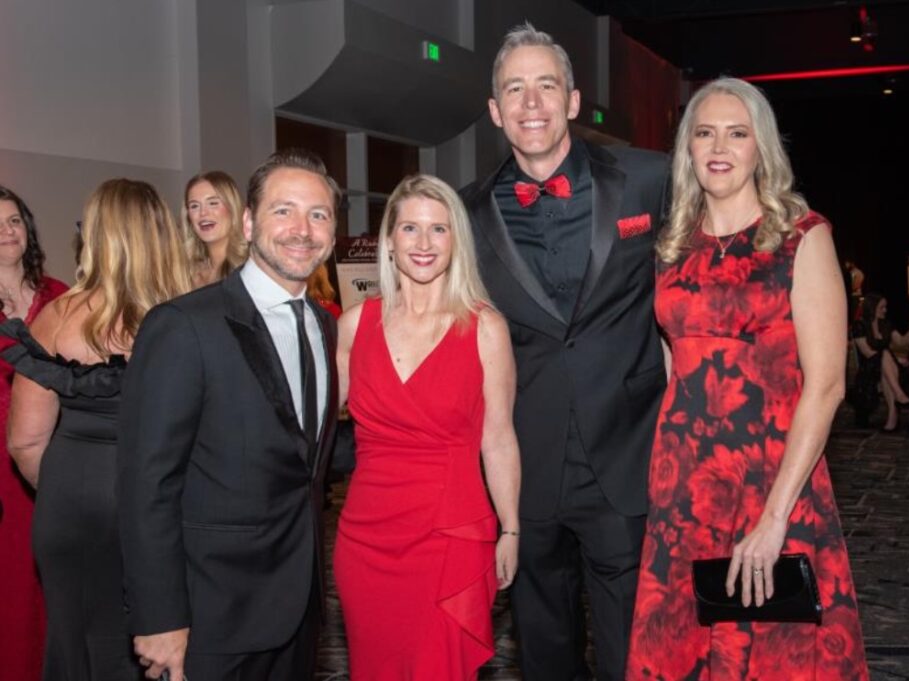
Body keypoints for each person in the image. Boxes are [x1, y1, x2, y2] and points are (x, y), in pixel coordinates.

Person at [626, 77, 868, 679]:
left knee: (772, 648)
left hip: (772, 479)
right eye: (704, 132)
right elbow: (672, 360)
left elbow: (828, 385)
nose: (719, 146)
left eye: (737, 133)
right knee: (685, 646)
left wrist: (776, 517)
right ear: (687, 148)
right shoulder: (672, 244)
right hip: (684, 487)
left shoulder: (801, 237)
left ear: (761, 147)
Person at [460, 23, 670, 680]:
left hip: (625, 457)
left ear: (573, 100)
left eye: (545, 85)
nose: (531, 103)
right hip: (525, 469)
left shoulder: (648, 179)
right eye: (514, 90)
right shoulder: (467, 213)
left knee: (629, 655)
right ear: (495, 111)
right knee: (544, 652)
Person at [118, 149, 347, 681]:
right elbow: (145, 483)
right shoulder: (183, 326)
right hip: (210, 615)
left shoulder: (323, 324)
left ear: (334, 234)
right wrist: (159, 616)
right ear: (248, 222)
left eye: (319, 215)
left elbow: (304, 461)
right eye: (283, 210)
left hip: (300, 607)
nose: (302, 229)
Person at [3, 179, 190, 680]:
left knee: (75, 649)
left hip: (72, 510)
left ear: (96, 236)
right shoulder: (190, 319)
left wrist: (70, 487)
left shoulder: (57, 317)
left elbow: (24, 441)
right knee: (161, 650)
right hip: (165, 510)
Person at [334, 174, 520, 678]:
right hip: (366, 540)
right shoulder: (353, 326)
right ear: (389, 240)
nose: (423, 243)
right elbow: (308, 432)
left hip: (450, 537)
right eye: (410, 228)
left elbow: (499, 439)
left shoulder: (485, 328)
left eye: (439, 230)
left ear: (456, 241)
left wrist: (511, 527)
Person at [0, 185, 69, 681]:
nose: (7, 232)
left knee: (56, 576)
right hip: (1, 463)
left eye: (14, 221)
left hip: (56, 453)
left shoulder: (60, 296)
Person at [850, 293, 909, 430]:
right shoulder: (859, 325)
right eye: (882, 307)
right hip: (869, 368)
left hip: (886, 368)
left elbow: (902, 343)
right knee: (884, 355)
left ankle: (892, 418)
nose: (885, 310)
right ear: (872, 308)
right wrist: (894, 359)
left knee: (886, 371)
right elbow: (867, 352)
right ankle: (899, 396)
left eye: (885, 307)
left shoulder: (885, 324)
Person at [182, 170, 248, 287]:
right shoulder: (185, 273)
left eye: (213, 203)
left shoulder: (252, 268)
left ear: (232, 207)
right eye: (194, 206)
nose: (203, 213)